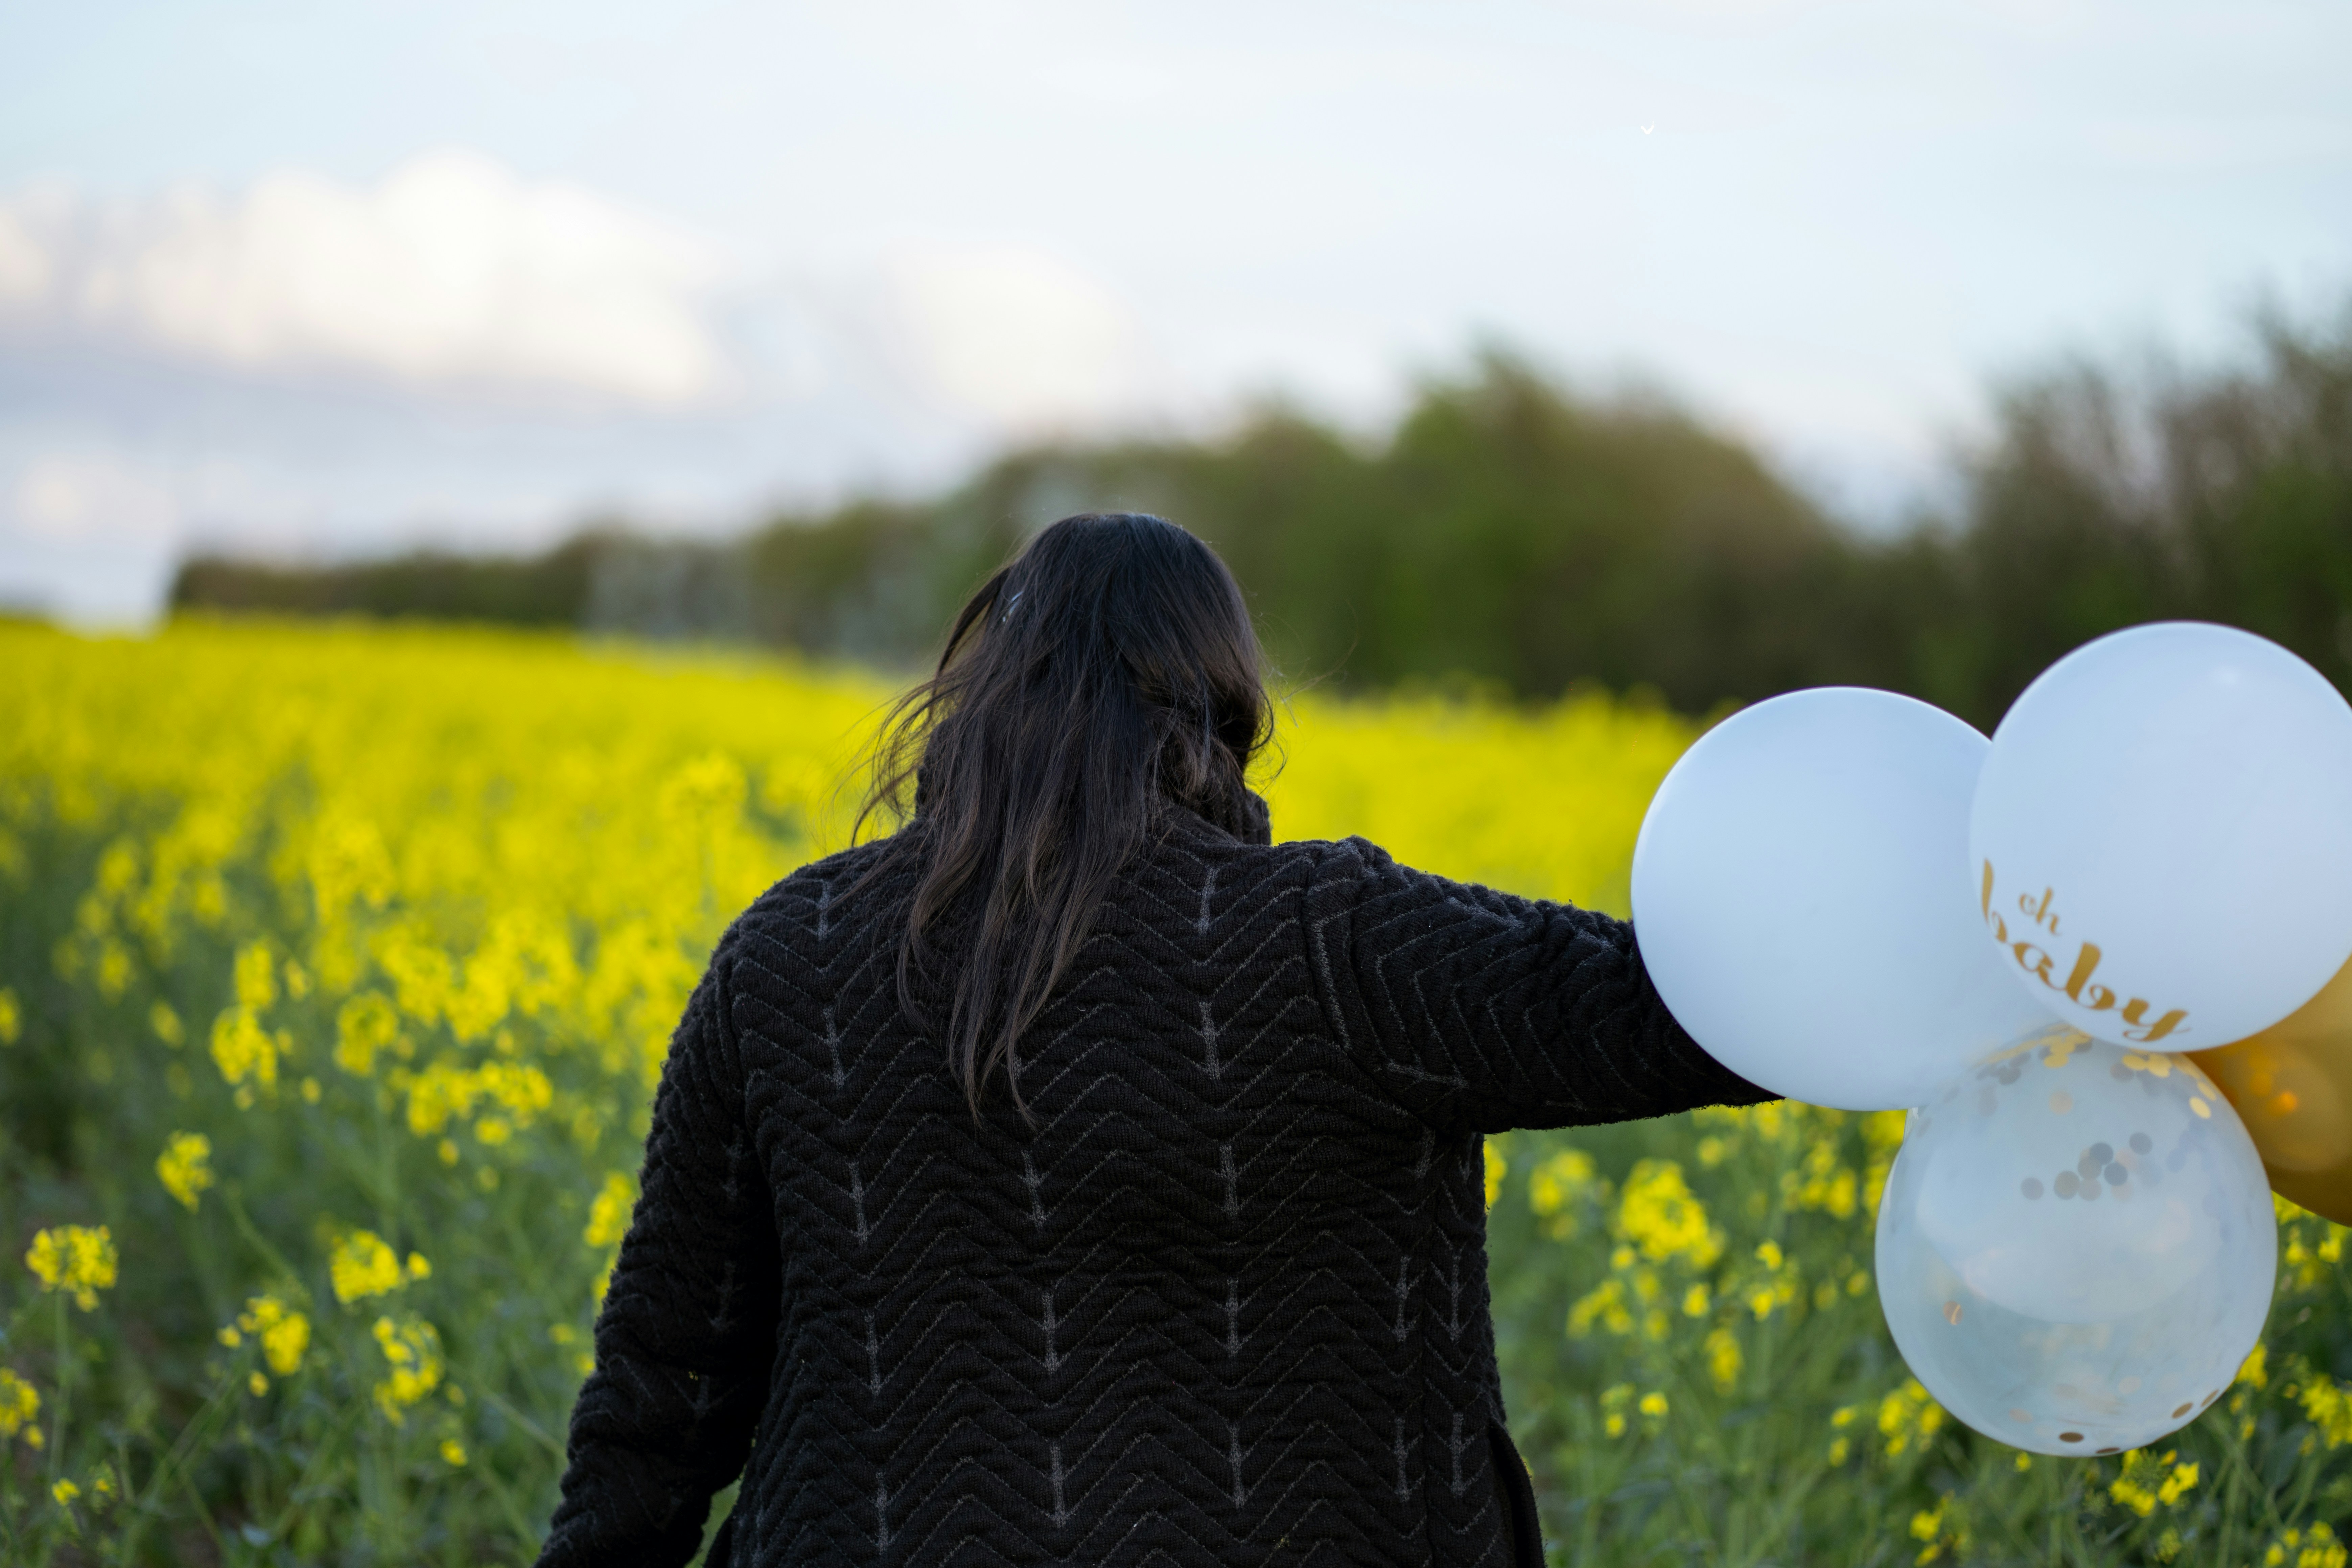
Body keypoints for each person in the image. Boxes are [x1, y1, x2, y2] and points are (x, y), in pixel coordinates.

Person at [536, 513, 1769, 1568]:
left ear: (980, 690)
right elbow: (1686, 1011)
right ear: (1223, 697)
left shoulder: (786, 950)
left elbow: (665, 1380)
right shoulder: (1340, 943)